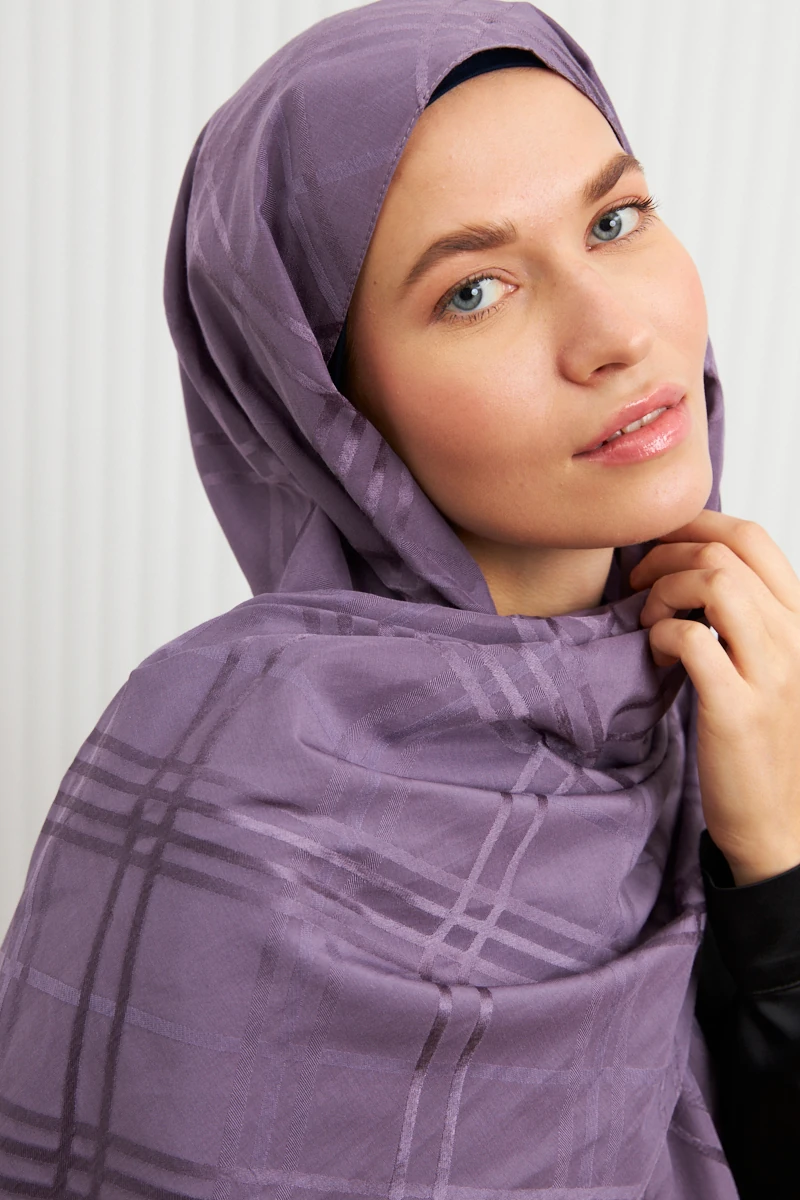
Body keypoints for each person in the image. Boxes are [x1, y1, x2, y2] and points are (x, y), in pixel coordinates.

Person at [0, 1, 798, 1197]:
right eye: (474, 291)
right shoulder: (241, 782)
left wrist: (774, 869)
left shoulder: (727, 697)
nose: (616, 334)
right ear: (329, 412)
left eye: (613, 220)